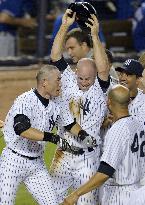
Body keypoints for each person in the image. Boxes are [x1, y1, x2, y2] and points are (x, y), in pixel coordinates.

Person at [50, 8, 110, 205]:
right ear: (75, 73)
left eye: (88, 79)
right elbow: (55, 55)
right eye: (81, 78)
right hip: (63, 154)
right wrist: (64, 26)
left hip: (88, 158)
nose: (84, 82)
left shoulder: (99, 89)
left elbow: (103, 68)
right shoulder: (68, 80)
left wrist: (94, 35)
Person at [0, 64, 72, 205]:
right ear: (44, 82)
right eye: (57, 80)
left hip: (36, 164)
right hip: (13, 161)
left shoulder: (57, 102)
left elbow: (69, 124)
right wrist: (52, 137)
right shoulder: (25, 100)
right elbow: (22, 129)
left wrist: (86, 138)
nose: (60, 83)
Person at [63, 84, 145, 205]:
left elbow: (105, 171)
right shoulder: (138, 124)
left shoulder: (117, 130)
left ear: (109, 102)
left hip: (120, 196)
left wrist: (76, 194)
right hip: (139, 192)